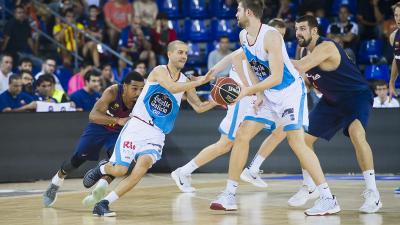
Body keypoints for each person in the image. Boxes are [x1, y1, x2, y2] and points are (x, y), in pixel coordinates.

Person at [210, 1, 339, 216]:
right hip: (268, 94)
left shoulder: (271, 36)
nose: (235, 13)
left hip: (289, 92)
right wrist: (257, 92)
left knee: (296, 142)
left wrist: (247, 90)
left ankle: (328, 198)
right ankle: (229, 195)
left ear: (248, 12)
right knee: (242, 135)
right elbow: (251, 65)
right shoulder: (244, 36)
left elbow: (277, 76)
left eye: (238, 10)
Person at [83, 40, 216, 217]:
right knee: (120, 170)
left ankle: (104, 203)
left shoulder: (185, 81)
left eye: (186, 53)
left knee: (142, 167)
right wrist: (199, 82)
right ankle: (102, 168)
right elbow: (172, 87)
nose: (184, 56)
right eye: (180, 52)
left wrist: (218, 100)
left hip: (157, 134)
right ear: (169, 54)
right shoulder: (159, 71)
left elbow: (199, 107)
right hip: (137, 126)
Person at [292, 15, 381, 214]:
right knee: (302, 140)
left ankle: (373, 193)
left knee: (357, 134)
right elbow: (307, 79)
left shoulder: (326, 47)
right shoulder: (303, 51)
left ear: (314, 31)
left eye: (303, 28)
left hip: (355, 96)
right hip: (331, 101)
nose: (298, 32)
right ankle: (311, 187)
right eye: (297, 28)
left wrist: (271, 56)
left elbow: (300, 67)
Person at [42, 71, 145, 207]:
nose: (138, 93)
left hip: (119, 132)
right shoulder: (112, 92)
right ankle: (56, 181)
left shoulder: (142, 99)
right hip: (99, 127)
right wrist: (118, 120)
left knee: (119, 161)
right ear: (125, 86)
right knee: (77, 159)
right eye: (135, 88)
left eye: (141, 89)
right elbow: (93, 115)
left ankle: (100, 187)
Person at [388, 2, 400, 195]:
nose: (398, 17)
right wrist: (391, 82)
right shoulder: (394, 36)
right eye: (397, 14)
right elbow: (396, 60)